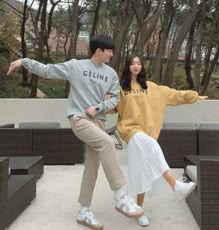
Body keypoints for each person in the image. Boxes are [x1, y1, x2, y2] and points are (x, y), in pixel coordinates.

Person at [6, 35, 144, 230]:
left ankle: (84, 211)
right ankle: (121, 195)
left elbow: (114, 99)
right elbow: (48, 70)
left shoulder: (111, 74)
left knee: (92, 167)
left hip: (98, 121)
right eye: (109, 50)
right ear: (98, 51)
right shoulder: (75, 66)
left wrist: (98, 107)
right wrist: (23, 61)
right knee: (107, 142)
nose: (112, 54)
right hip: (79, 118)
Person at [107, 53, 208, 227]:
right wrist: (105, 101)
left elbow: (174, 95)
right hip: (131, 131)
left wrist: (193, 96)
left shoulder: (152, 87)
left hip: (148, 134)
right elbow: (110, 109)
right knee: (150, 146)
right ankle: (175, 185)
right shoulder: (121, 88)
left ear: (142, 66)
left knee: (141, 173)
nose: (136, 66)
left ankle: (138, 209)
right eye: (132, 63)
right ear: (127, 67)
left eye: (139, 63)